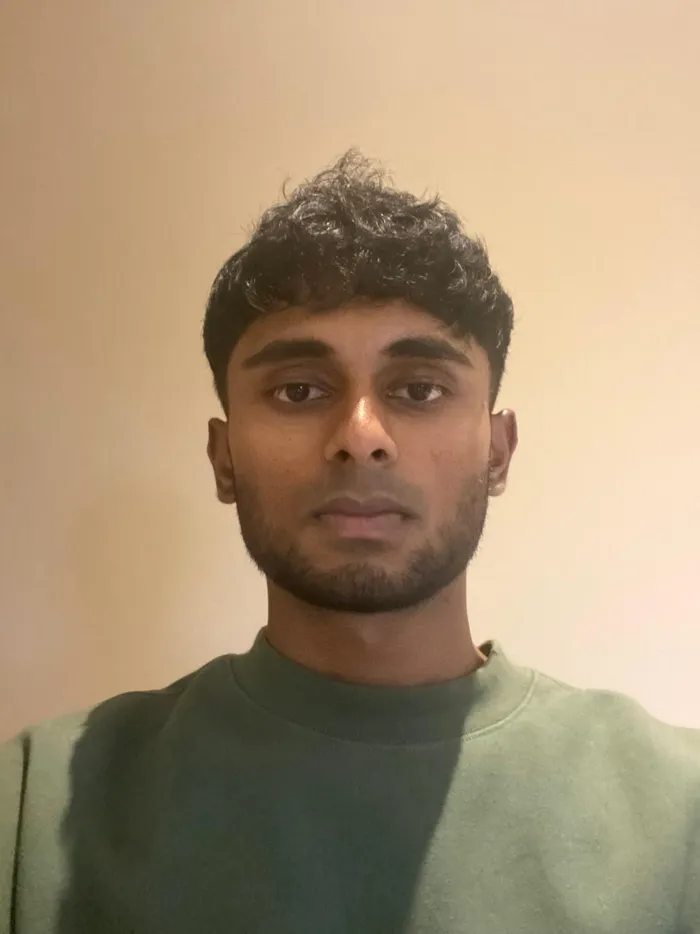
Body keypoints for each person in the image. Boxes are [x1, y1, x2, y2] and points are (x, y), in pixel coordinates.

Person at [1, 152, 698, 934]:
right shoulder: (33, 806)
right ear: (224, 458)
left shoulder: (679, 818)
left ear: (498, 453)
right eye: (299, 390)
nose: (361, 436)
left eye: (420, 389)